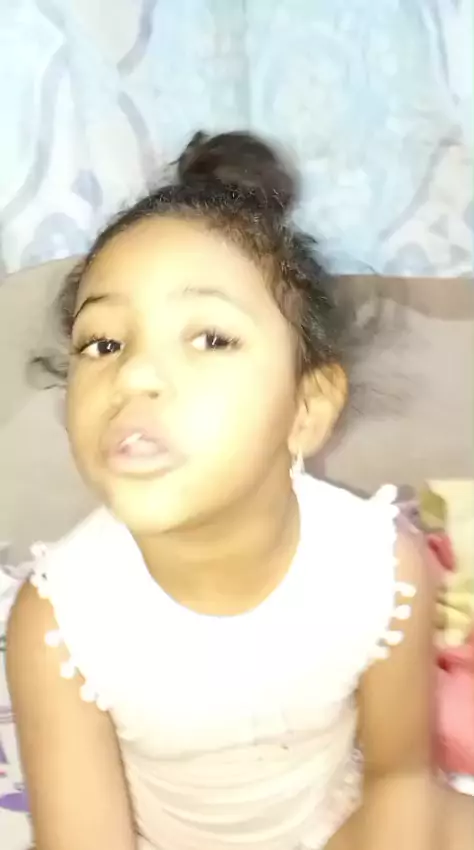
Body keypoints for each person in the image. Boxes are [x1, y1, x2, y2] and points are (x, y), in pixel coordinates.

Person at [6, 131, 473, 850]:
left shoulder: (383, 566)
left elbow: (400, 780)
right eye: (103, 344)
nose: (134, 375)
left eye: (211, 339)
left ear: (306, 408)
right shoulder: (58, 624)